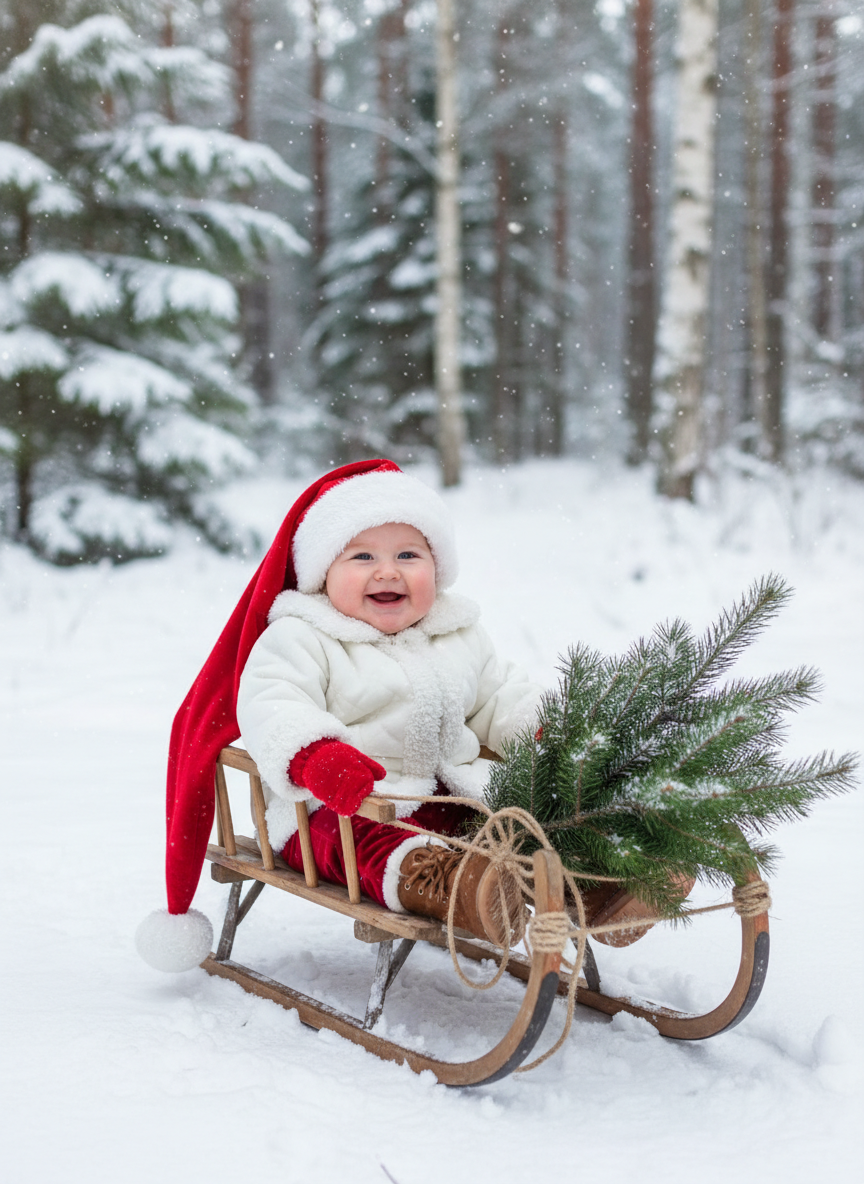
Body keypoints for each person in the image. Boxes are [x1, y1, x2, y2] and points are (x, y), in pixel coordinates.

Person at [136, 460, 664, 973]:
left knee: (518, 826)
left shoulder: (457, 633)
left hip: (449, 798)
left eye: (408, 554)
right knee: (366, 843)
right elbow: (273, 703)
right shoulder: (300, 636)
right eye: (362, 556)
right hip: (332, 809)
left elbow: (498, 694)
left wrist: (546, 730)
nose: (387, 570)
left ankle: (601, 884)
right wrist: (315, 755)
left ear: (437, 567)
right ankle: (447, 884)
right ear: (323, 573)